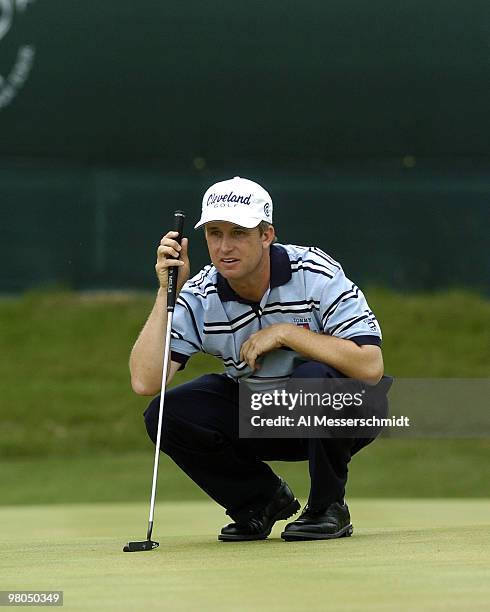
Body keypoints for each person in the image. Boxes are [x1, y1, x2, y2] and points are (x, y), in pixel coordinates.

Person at [130, 176, 387, 542]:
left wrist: (285, 333)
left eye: (239, 233)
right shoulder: (202, 293)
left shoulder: (315, 273)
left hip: (347, 412)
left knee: (313, 378)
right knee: (165, 412)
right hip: (265, 413)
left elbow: (371, 367)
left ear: (267, 235)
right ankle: (260, 501)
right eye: (215, 233)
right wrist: (166, 291)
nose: (224, 247)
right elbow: (145, 381)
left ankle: (328, 507)